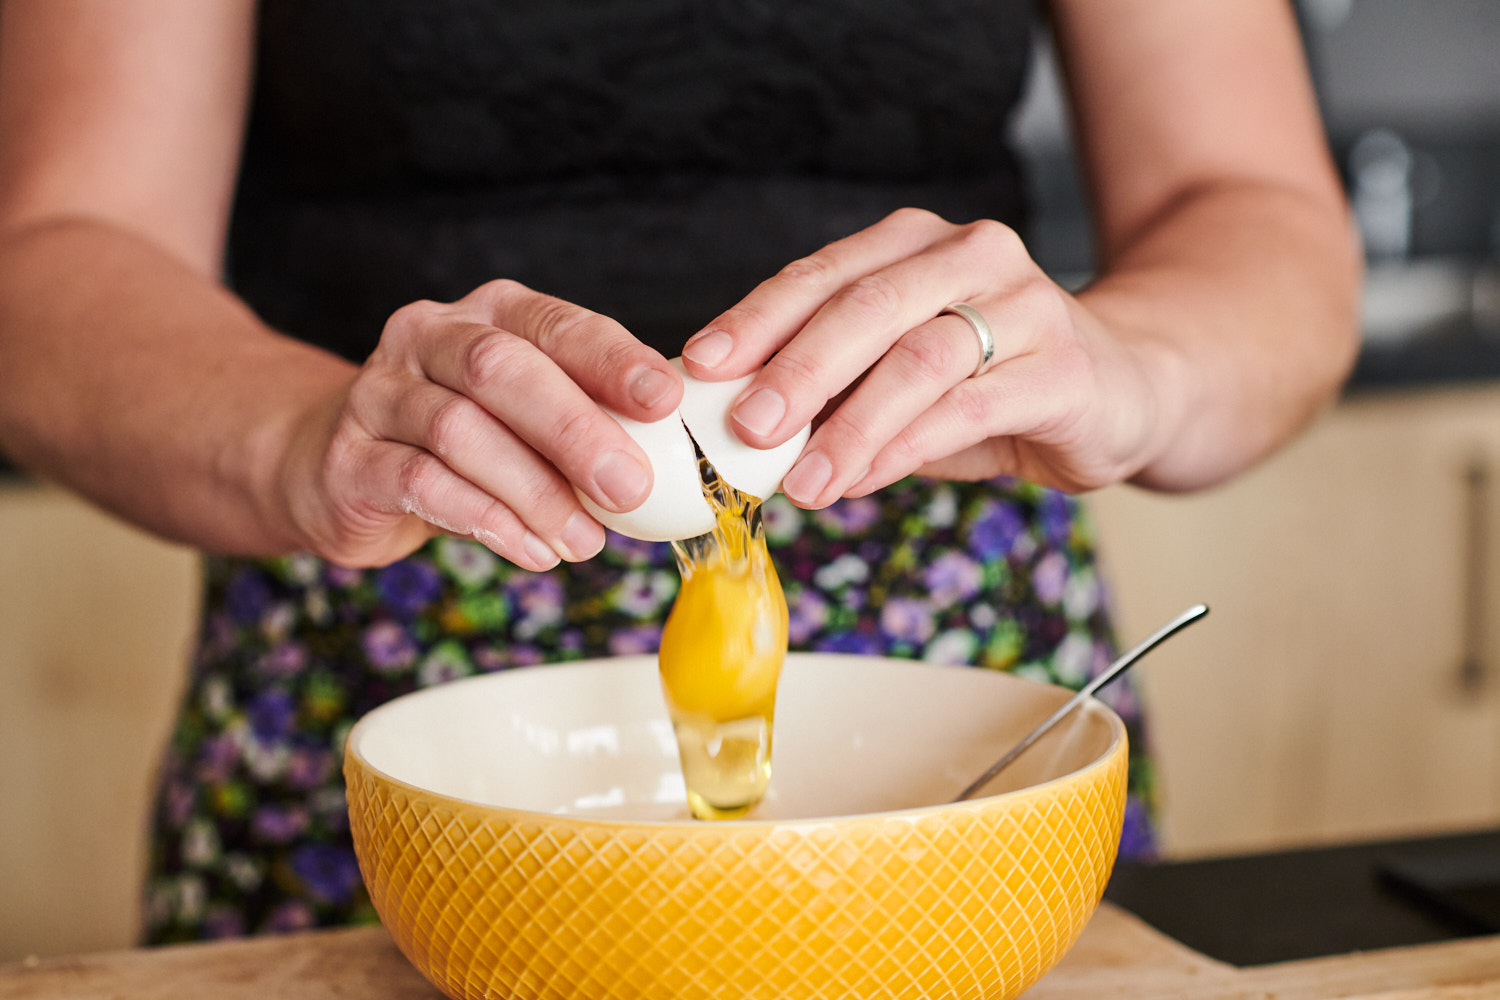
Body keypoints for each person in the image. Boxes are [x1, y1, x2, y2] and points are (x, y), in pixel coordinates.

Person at [0, 0, 1359, 941]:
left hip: (956, 697)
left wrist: (1134, 366)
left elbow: (1252, 210)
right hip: (381, 677)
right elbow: (61, 249)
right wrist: (303, 436)